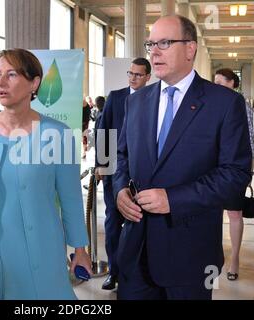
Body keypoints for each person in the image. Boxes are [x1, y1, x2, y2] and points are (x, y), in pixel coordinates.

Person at [113, 15, 252, 300]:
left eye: (165, 42)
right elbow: (121, 156)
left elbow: (235, 174)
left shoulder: (224, 103)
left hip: (191, 256)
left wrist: (173, 199)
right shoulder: (136, 101)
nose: (154, 51)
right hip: (135, 252)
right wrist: (119, 191)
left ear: (190, 49)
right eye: (151, 43)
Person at [0, 48, 92, 300]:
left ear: (35, 83)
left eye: (11, 75)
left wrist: (80, 249)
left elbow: (71, 197)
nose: (0, 82)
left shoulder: (57, 134)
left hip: (43, 247)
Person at [95, 57, 151, 291]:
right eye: (130, 73)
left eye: (138, 75)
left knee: (139, 225)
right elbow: (103, 130)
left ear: (148, 77)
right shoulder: (116, 97)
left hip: (143, 175)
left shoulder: (153, 99)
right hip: (114, 172)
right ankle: (114, 272)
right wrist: (102, 165)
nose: (133, 78)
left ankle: (136, 273)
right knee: (112, 223)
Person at [214, 68, 254, 281]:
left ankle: (235, 258)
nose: (217, 86)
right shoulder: (212, 102)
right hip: (211, 167)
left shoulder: (241, 105)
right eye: (215, 82)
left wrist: (248, 170)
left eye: (221, 82)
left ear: (232, 83)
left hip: (234, 168)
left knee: (234, 213)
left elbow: (250, 139)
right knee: (211, 213)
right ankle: (214, 255)